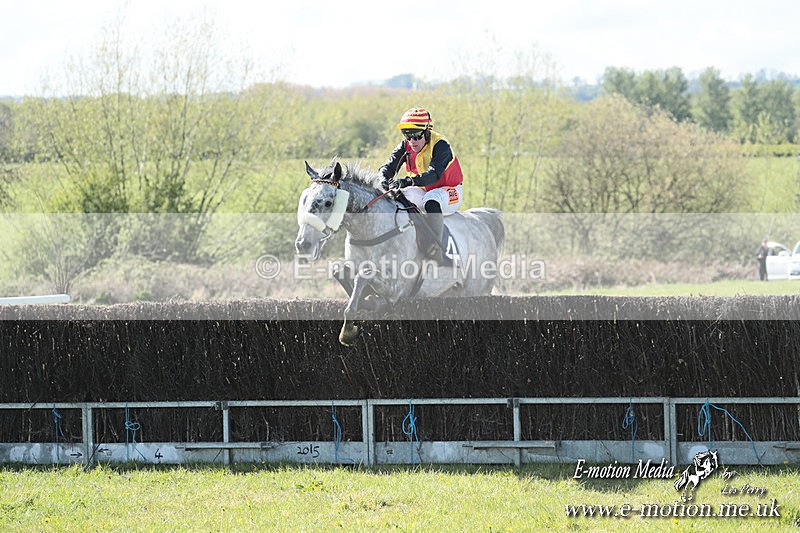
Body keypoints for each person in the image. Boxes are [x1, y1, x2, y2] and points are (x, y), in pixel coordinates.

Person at [379, 107, 463, 263]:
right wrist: (382, 178)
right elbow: (389, 166)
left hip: (449, 190)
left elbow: (433, 175)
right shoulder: (405, 145)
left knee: (432, 200)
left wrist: (408, 181)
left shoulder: (441, 146)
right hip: (423, 190)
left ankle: (436, 246)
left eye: (416, 136)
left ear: (427, 132)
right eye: (407, 135)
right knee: (396, 197)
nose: (412, 141)